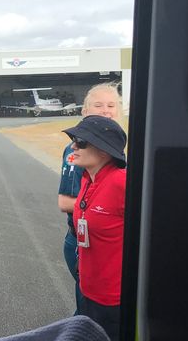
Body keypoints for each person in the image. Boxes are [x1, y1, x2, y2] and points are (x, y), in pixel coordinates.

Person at [57, 83, 121, 314]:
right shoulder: (79, 153)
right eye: (98, 105)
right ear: (84, 111)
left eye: (111, 106)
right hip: (84, 241)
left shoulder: (115, 153)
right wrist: (104, 209)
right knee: (90, 310)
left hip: (107, 244)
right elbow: (65, 202)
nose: (106, 111)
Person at [61, 115, 127, 340]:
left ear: (104, 151)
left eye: (81, 142)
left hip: (113, 301)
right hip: (88, 291)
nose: (73, 146)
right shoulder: (87, 179)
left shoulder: (121, 182)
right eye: (74, 140)